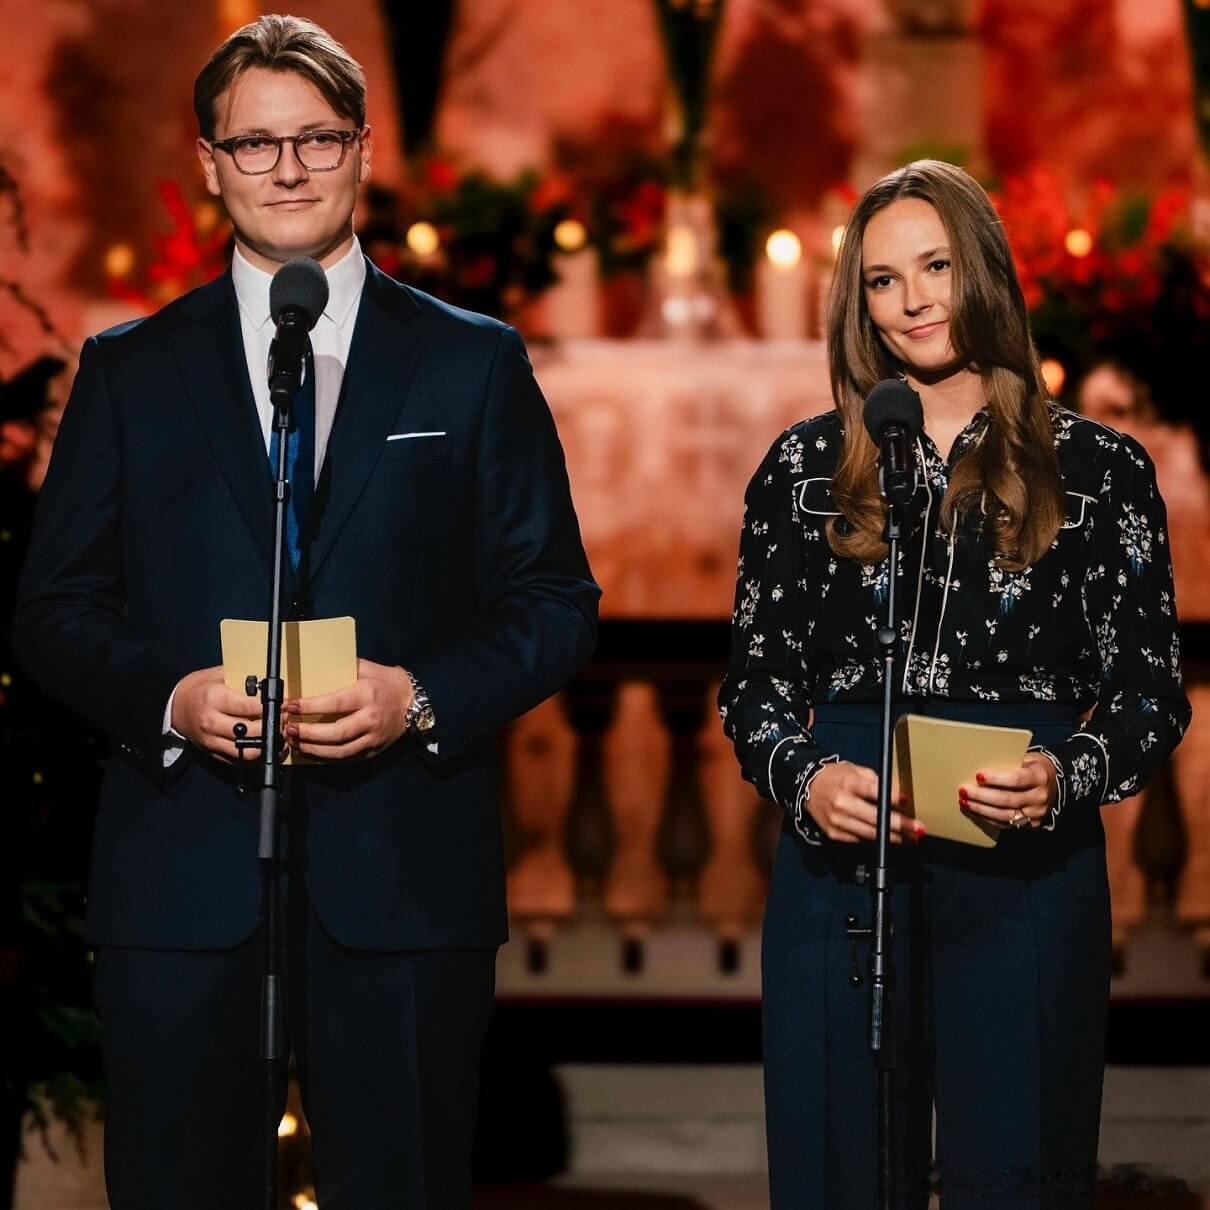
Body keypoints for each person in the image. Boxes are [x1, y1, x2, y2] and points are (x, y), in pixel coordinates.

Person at [14, 15, 598, 1210]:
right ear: (209, 162)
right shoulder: (129, 369)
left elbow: (553, 601)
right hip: (182, 880)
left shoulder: (470, 363)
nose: (287, 169)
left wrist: (417, 697)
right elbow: (53, 610)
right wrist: (172, 699)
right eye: (255, 143)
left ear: (364, 151)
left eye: (317, 139)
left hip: (403, 876)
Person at [719, 160, 1189, 1209]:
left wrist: (1066, 772)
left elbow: (1150, 694)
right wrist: (805, 777)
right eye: (882, 280)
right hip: (840, 862)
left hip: (1024, 865)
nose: (912, 301)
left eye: (935, 266)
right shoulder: (801, 469)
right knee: (838, 1174)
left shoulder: (1100, 471)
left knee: (1016, 1179)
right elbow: (753, 685)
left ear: (984, 269)